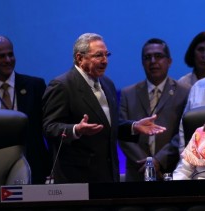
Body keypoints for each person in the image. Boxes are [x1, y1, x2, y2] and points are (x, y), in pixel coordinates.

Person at [42, 33, 166, 183]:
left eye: (107, 55)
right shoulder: (62, 85)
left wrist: (133, 126)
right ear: (80, 58)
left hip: (108, 175)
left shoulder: (107, 84)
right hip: (77, 178)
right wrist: (76, 129)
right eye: (98, 56)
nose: (105, 61)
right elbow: (50, 127)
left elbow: (106, 126)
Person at [119, 38, 190, 181]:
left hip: (170, 171)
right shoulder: (128, 93)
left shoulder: (184, 92)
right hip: (137, 172)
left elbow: (182, 134)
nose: (153, 61)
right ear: (142, 63)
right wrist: (148, 164)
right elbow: (123, 133)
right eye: (147, 57)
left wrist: (158, 160)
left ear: (169, 61)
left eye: (158, 56)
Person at [0, 35, 50, 184]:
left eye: (10, 54)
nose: (8, 60)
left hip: (36, 171)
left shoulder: (36, 86)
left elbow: (48, 130)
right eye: (1, 56)